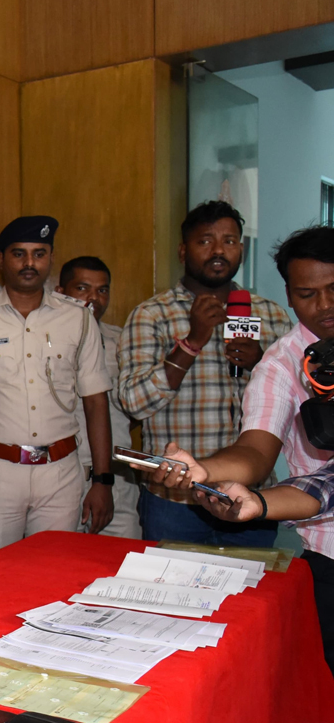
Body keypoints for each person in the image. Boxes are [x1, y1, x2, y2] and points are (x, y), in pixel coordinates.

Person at [150, 226, 334, 723]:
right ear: (288, 295)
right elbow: (255, 453)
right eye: (307, 294)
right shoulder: (282, 363)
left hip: (310, 502)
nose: (324, 306)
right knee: (330, 708)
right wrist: (204, 470)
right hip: (329, 554)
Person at [116, 200, 290, 546]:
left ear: (241, 249)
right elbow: (134, 403)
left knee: (251, 583)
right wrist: (192, 342)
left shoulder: (271, 315)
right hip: (175, 499)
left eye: (229, 241)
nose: (218, 250)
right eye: (205, 241)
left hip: (248, 496)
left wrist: (260, 363)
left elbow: (298, 401)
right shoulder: (152, 314)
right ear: (183, 251)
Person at [0, 217, 114, 557]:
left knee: (54, 572)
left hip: (61, 473)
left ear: (50, 258)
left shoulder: (78, 317)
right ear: (0, 259)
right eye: (19, 253)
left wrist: (103, 480)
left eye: (39, 254)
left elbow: (96, 402)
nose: (29, 263)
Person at [56, 256, 142, 539]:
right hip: (60, 478)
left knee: (123, 560)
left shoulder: (123, 342)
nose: (94, 298)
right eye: (82, 288)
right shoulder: (42, 343)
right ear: (60, 292)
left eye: (102, 290)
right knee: (59, 560)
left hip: (115, 480)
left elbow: (135, 407)